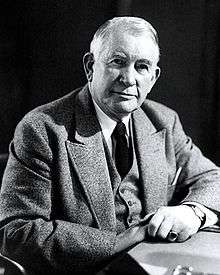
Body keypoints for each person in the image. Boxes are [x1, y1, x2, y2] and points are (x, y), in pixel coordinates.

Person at [0, 16, 220, 275]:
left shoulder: (163, 121)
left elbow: (213, 178)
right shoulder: (42, 128)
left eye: (142, 67)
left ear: (154, 77)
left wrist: (193, 213)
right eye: (118, 62)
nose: (128, 79)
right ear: (90, 66)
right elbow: (17, 234)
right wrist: (130, 237)